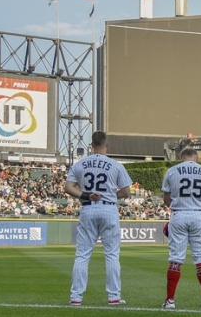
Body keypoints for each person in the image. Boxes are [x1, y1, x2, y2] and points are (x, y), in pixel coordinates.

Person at [65, 131, 132, 306]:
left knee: (82, 255)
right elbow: (126, 192)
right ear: (106, 144)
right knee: (111, 255)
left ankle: (76, 297)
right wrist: (110, 195)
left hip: (88, 208)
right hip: (108, 208)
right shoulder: (116, 165)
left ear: (91, 145)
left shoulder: (80, 164)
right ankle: (114, 296)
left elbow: (68, 187)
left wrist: (86, 195)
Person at [161, 148, 201, 310]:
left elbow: (166, 198)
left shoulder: (172, 171)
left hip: (179, 214)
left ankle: (170, 301)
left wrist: (176, 210)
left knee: (175, 258)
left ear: (181, 158)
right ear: (197, 158)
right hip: (199, 215)